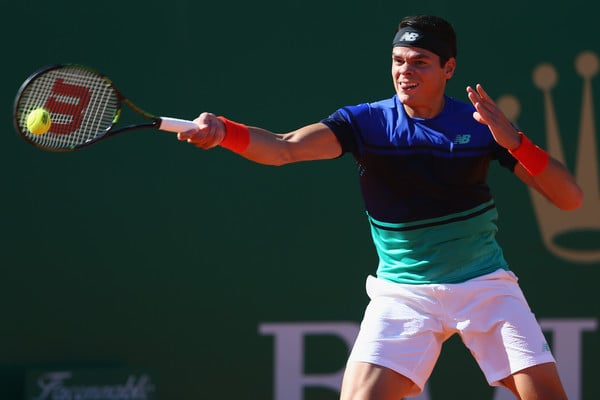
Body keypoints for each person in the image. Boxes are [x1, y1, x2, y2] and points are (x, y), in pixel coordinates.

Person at [177, 14, 582, 400]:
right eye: (398, 61)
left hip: (483, 286)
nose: (406, 71)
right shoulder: (366, 123)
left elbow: (569, 198)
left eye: (420, 62)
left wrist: (514, 142)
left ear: (449, 68)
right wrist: (224, 132)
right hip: (403, 293)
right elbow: (284, 148)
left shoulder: (480, 125)